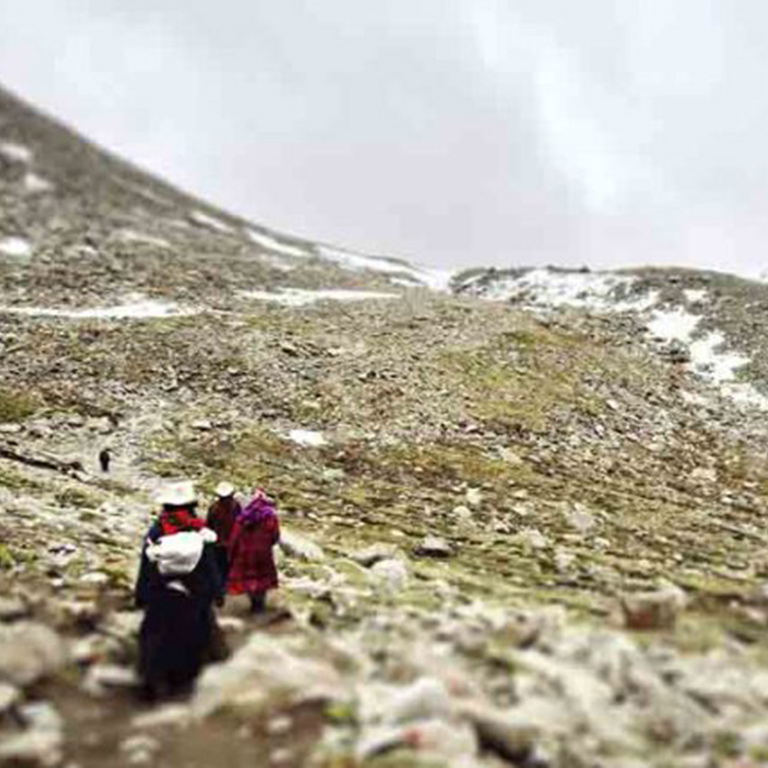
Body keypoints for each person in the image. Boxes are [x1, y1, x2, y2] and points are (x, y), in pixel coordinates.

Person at [134, 481, 223, 700]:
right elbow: (210, 565)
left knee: (154, 634)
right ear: (192, 505)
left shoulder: (157, 531)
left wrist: (142, 593)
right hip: (193, 593)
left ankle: (150, 679)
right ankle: (182, 682)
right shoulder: (201, 532)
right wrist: (216, 592)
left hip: (161, 591)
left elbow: (147, 565)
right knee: (194, 635)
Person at [226, 486, 280, 613]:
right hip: (263, 553)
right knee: (262, 579)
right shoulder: (270, 517)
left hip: (246, 553)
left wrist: (231, 553)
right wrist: (269, 544)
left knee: (249, 579)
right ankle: (260, 604)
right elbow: (275, 535)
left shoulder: (242, 518)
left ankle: (253, 603)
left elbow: (235, 537)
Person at [206, 482, 241, 585]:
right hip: (232, 544)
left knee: (219, 569)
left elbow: (209, 525)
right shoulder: (236, 507)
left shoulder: (214, 508)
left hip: (218, 543)